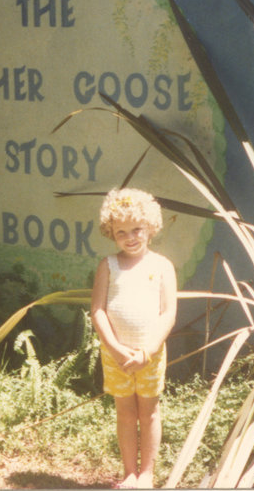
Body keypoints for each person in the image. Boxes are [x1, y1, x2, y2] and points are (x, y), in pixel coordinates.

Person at [91, 188, 177, 489]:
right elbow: (98, 311)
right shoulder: (108, 266)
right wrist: (114, 348)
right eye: (121, 232)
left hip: (149, 356)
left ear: (150, 227)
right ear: (111, 233)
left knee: (149, 412)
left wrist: (148, 351)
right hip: (115, 356)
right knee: (126, 413)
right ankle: (129, 472)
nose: (130, 237)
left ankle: (147, 474)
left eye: (136, 229)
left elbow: (168, 314)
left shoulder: (162, 266)